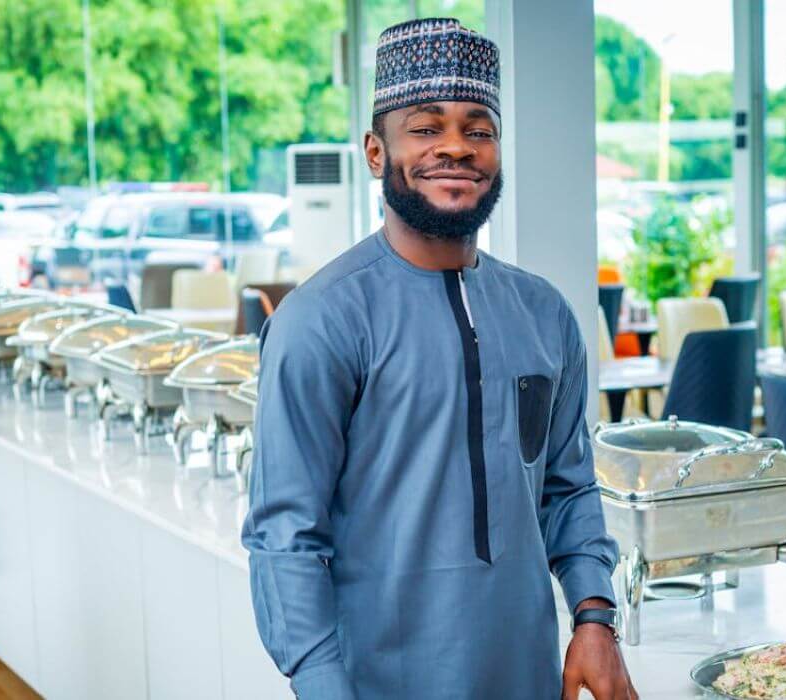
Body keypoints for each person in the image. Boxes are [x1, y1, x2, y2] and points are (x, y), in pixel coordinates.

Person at [243, 17, 637, 700]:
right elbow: (285, 537)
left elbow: (566, 488)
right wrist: (321, 684)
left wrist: (595, 618)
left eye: (477, 129)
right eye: (426, 129)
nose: (455, 148)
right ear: (375, 151)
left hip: (527, 676)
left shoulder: (544, 315)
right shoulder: (321, 321)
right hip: (374, 682)